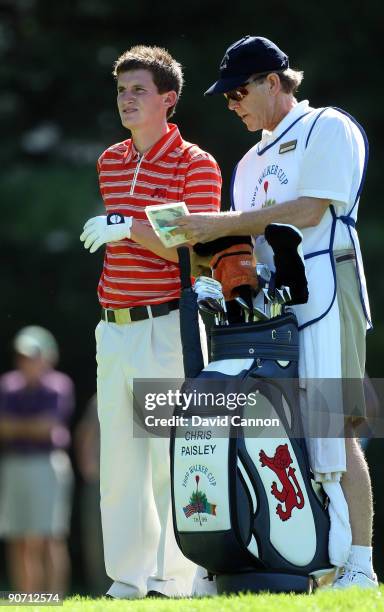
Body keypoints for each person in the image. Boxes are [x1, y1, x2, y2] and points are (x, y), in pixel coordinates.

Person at [173, 36, 377, 589]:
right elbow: (246, 240)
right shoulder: (247, 161)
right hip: (269, 302)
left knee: (335, 423)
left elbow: (313, 209)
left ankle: (359, 561)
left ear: (274, 80)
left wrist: (217, 224)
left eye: (240, 91)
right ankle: (285, 556)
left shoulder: (328, 127)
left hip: (328, 284)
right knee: (273, 427)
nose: (233, 104)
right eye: (226, 97)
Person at [79, 45, 221, 599]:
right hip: (114, 328)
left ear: (169, 99)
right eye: (121, 90)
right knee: (119, 462)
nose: (127, 100)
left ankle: (176, 576)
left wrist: (127, 227)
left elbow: (195, 252)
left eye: (139, 90)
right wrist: (130, 226)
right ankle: (129, 578)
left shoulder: (195, 164)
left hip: (168, 327)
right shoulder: (110, 161)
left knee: (170, 457)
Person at [0, 326, 74, 595]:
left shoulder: (59, 385)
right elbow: (4, 428)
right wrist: (31, 426)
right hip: (14, 465)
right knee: (17, 538)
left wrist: (16, 426)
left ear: (47, 357)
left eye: (31, 356)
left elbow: (47, 426)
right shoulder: (7, 386)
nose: (25, 362)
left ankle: (54, 598)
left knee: (49, 537)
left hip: (47, 464)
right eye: (22, 356)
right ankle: (26, 599)